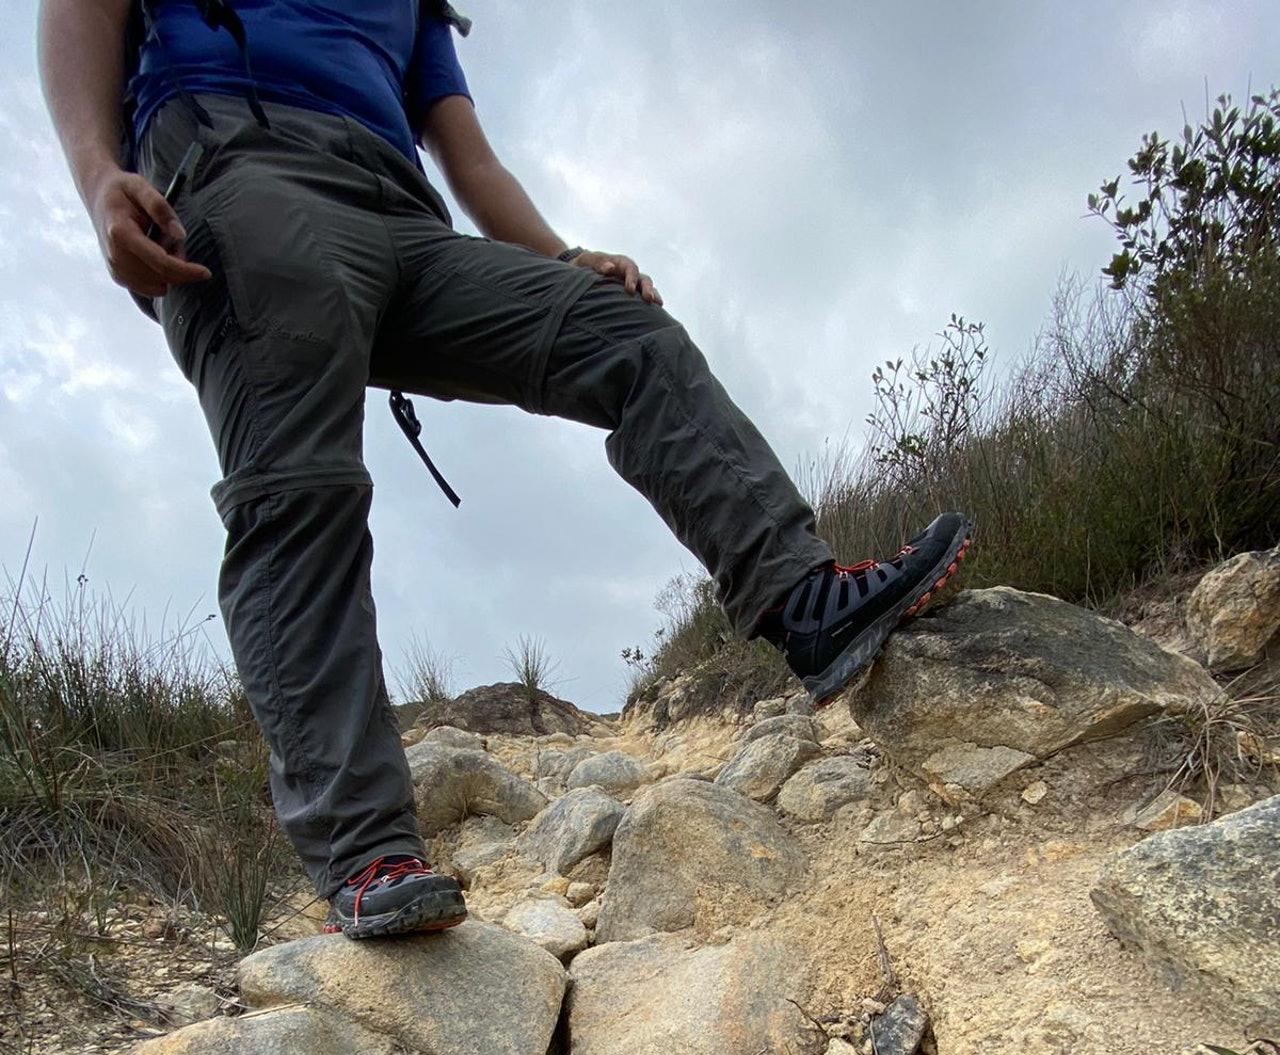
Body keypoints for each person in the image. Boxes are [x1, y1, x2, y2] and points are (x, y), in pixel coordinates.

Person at [38, 0, 970, 938]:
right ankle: (366, 850)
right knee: (300, 490)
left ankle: (799, 595)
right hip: (241, 172)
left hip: (407, 222)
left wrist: (564, 258)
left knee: (627, 336)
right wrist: (96, 177)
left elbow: (468, 157)